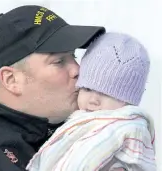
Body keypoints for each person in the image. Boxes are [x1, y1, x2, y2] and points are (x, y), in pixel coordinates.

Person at [0, 5, 105, 171]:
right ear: (12, 80)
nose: (78, 69)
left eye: (73, 56)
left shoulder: (97, 131)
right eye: (59, 61)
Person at [26, 32, 157, 171]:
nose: (93, 100)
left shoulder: (127, 128)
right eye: (87, 89)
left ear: (128, 101)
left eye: (106, 94)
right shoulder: (74, 120)